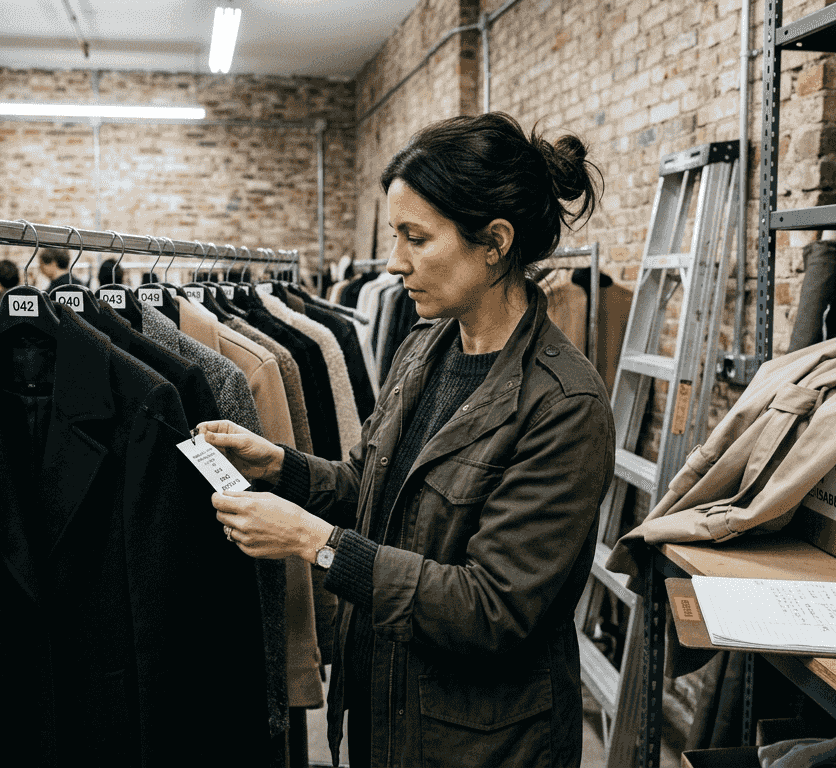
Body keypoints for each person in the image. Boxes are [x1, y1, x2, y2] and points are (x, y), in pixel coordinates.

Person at [199, 112, 615, 768]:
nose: (395, 262)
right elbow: (369, 485)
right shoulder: (424, 346)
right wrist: (280, 465)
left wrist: (314, 542)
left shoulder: (563, 405)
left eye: (416, 238)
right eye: (396, 236)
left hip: (483, 744)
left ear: (495, 241)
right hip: (386, 708)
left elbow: (491, 608)